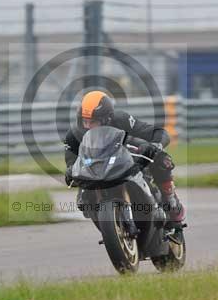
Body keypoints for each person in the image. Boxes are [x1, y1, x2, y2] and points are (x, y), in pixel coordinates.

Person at [63, 90, 185, 227]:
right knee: (82, 201)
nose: (88, 126)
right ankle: (106, 223)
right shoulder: (74, 135)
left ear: (107, 119)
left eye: (93, 122)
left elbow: (158, 133)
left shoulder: (121, 120)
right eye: (85, 121)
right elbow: (71, 161)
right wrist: (71, 171)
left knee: (162, 158)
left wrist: (155, 145)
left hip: (124, 159)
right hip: (95, 169)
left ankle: (170, 199)